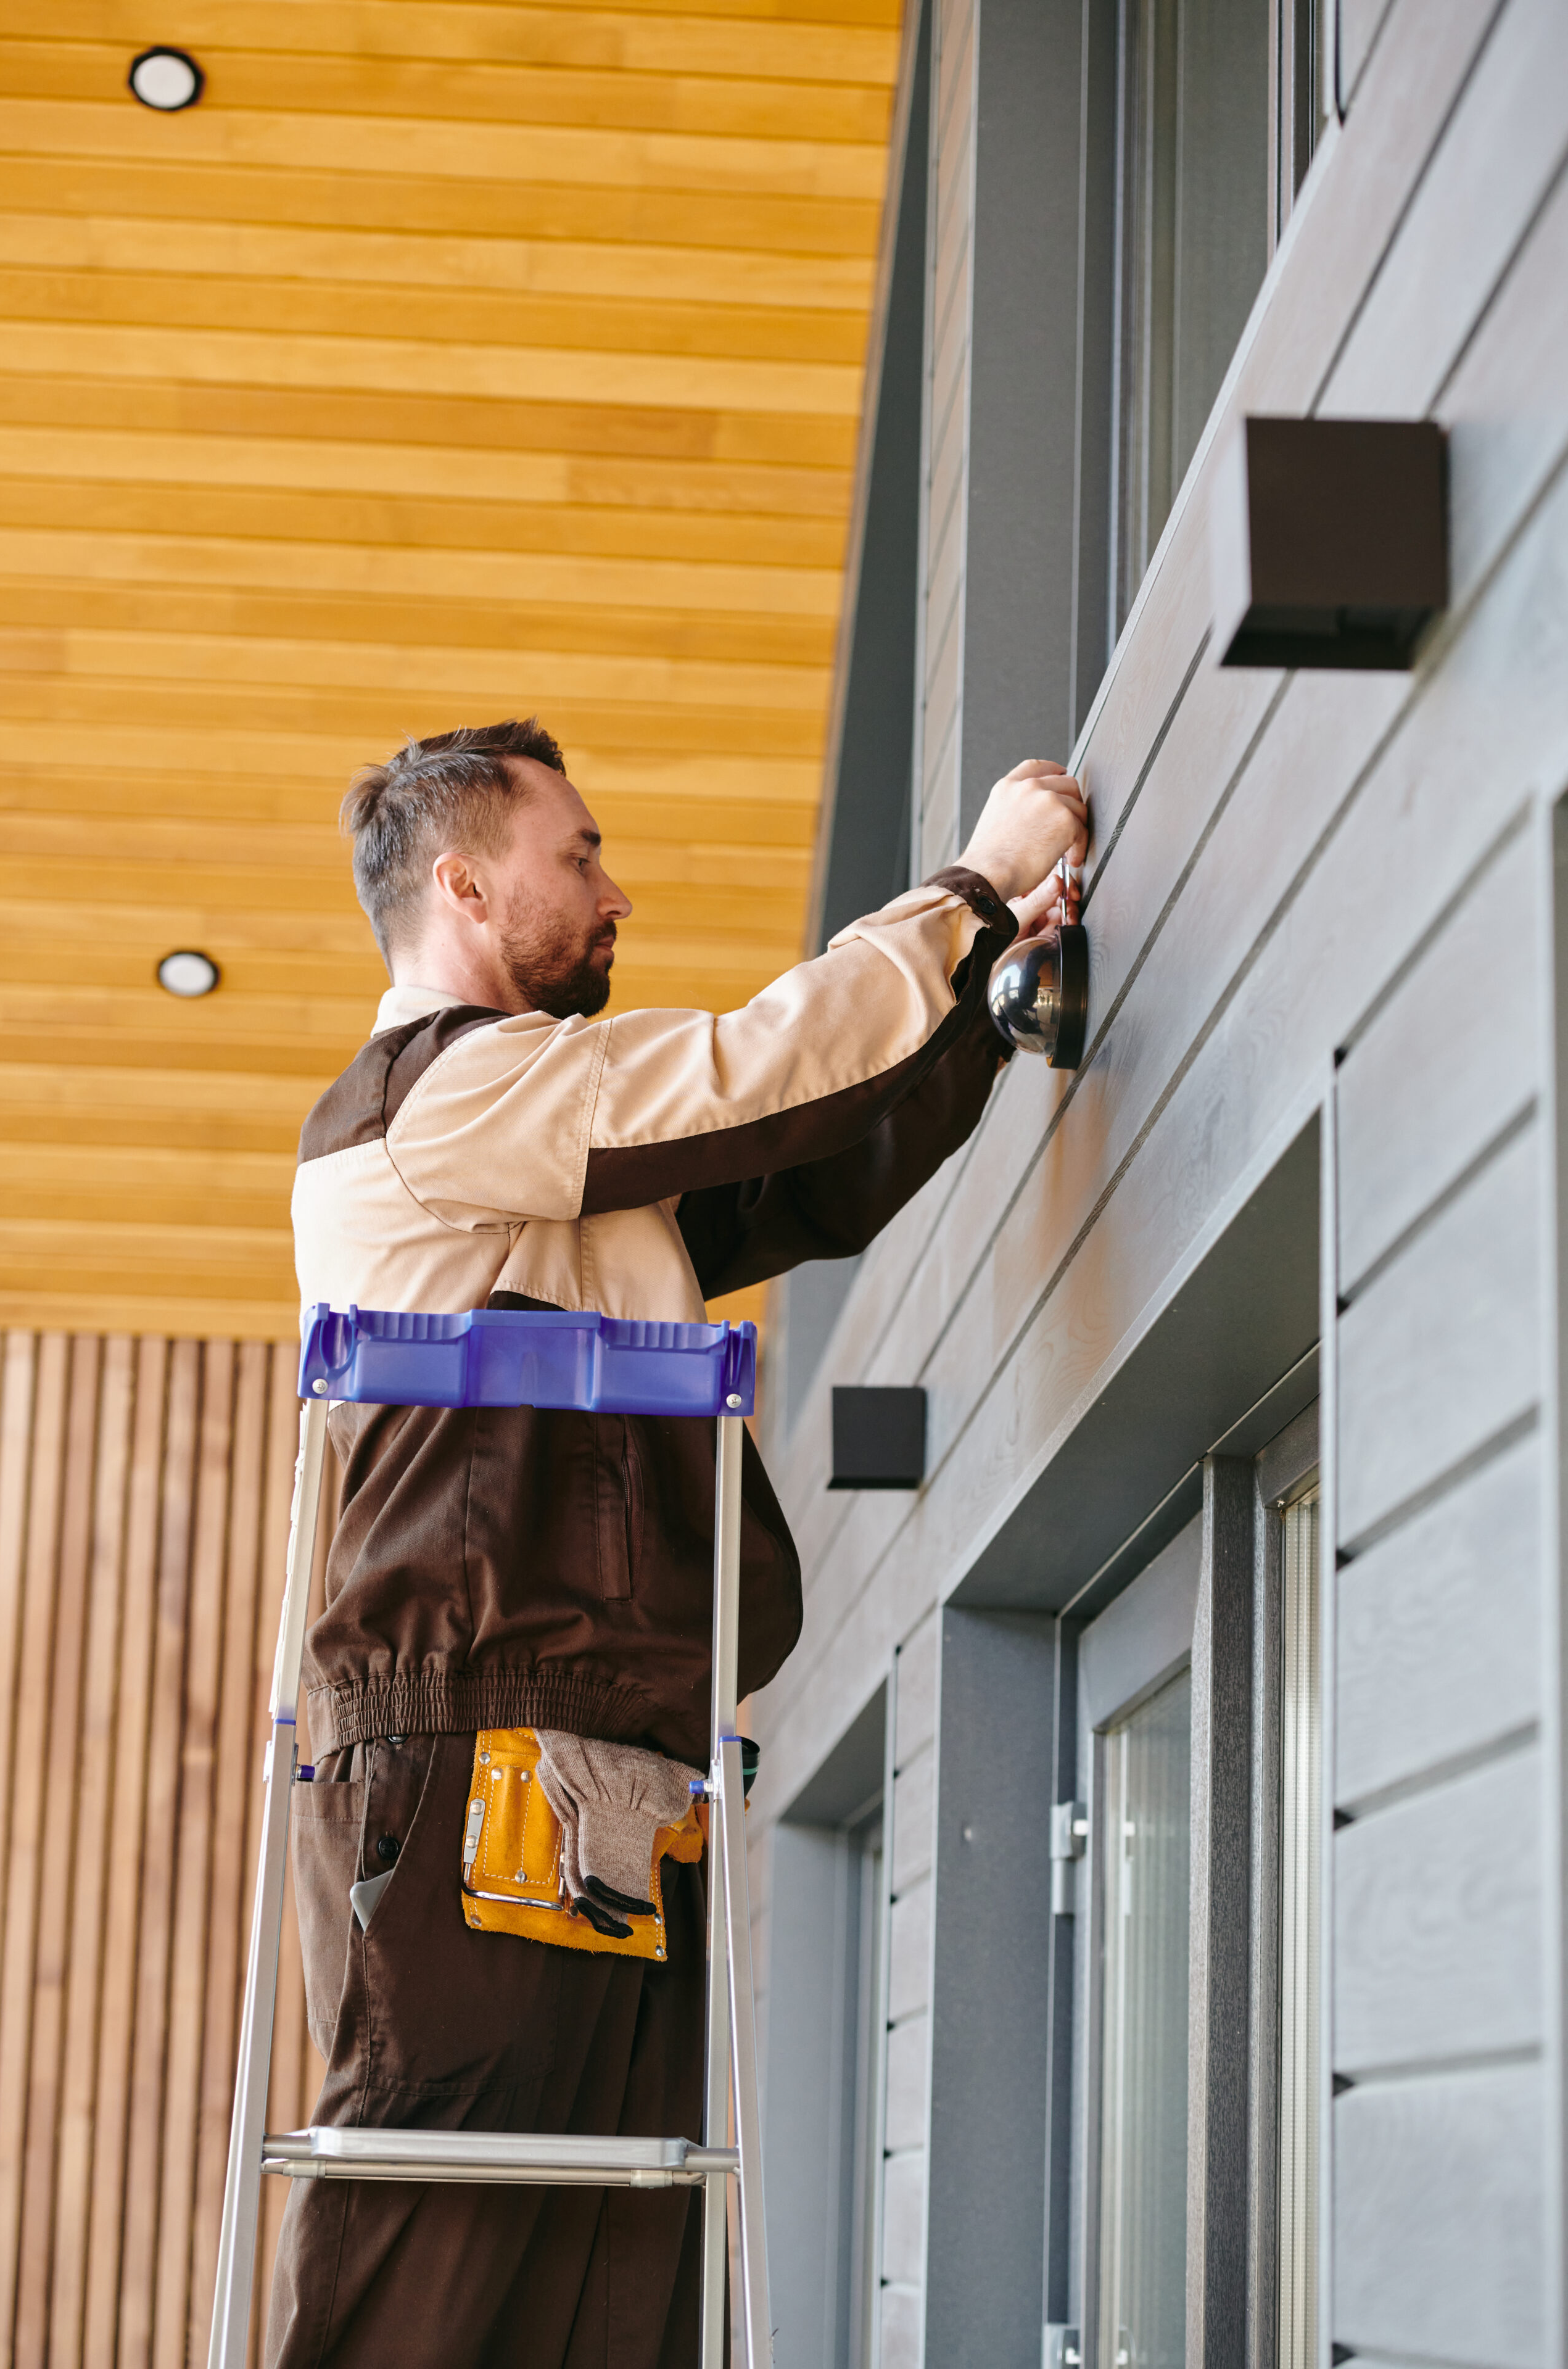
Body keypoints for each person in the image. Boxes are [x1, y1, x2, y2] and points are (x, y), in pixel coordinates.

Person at [270, 717, 1087, 2368]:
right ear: (465, 885)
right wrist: (972, 883)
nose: (614, 887)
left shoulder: (548, 1169)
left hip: (589, 1746)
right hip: (476, 1740)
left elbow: (807, 1167)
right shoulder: (441, 1097)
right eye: (578, 857)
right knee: (451, 2235)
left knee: (605, 2248)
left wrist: (981, 998)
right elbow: (754, 1068)